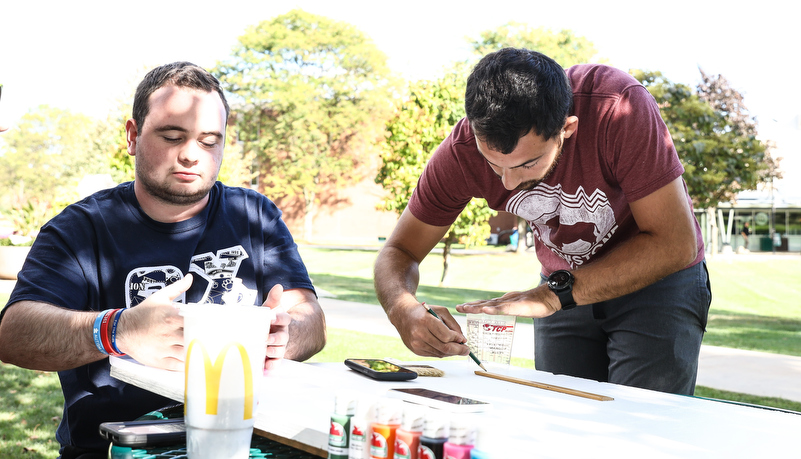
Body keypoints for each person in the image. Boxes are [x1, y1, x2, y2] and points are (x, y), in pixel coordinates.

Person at [0, 62, 327, 459]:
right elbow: (14, 334)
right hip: (117, 446)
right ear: (132, 136)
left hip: (245, 439)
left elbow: (310, 320)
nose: (191, 155)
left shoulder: (253, 215)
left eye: (209, 141)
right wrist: (117, 331)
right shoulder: (80, 228)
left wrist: (281, 337)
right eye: (172, 136)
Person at [374, 48, 710, 396]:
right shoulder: (461, 152)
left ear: (567, 128)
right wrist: (403, 310)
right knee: (560, 414)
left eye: (525, 165)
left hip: (656, 283)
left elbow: (674, 243)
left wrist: (553, 296)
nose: (507, 183)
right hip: (561, 286)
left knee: (642, 419)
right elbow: (399, 250)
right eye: (493, 164)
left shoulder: (617, 107)